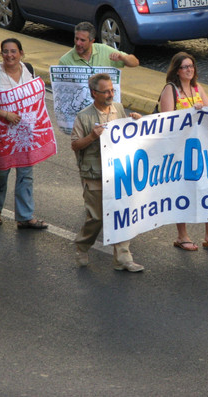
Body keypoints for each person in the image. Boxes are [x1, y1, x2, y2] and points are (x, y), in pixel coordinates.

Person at [71, 73, 144, 272]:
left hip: (118, 174)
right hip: (94, 175)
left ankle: (123, 258)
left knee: (122, 213)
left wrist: (134, 121)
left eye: (112, 90)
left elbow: (126, 133)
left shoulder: (118, 108)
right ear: (94, 93)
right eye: (106, 91)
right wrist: (92, 136)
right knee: (96, 218)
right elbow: (75, 145)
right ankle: (82, 246)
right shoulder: (84, 117)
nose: (111, 94)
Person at [159, 52, 208, 251]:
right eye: (184, 67)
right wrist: (190, 113)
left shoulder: (197, 88)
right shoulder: (170, 89)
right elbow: (166, 122)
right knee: (181, 190)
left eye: (191, 66)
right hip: (180, 151)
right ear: (176, 70)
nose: (189, 70)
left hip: (200, 150)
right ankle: (182, 236)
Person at [0, 38, 48, 229]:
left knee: (26, 174)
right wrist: (4, 114)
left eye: (13, 51)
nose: (9, 55)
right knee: (1, 173)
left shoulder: (29, 70)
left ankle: (25, 217)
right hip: (2, 136)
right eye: (5, 52)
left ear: (21, 53)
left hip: (25, 135)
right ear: (1, 54)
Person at [59, 22, 139, 68]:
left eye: (82, 40)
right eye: (76, 39)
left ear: (92, 41)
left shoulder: (105, 51)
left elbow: (135, 63)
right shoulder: (65, 61)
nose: (78, 43)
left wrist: (123, 57)